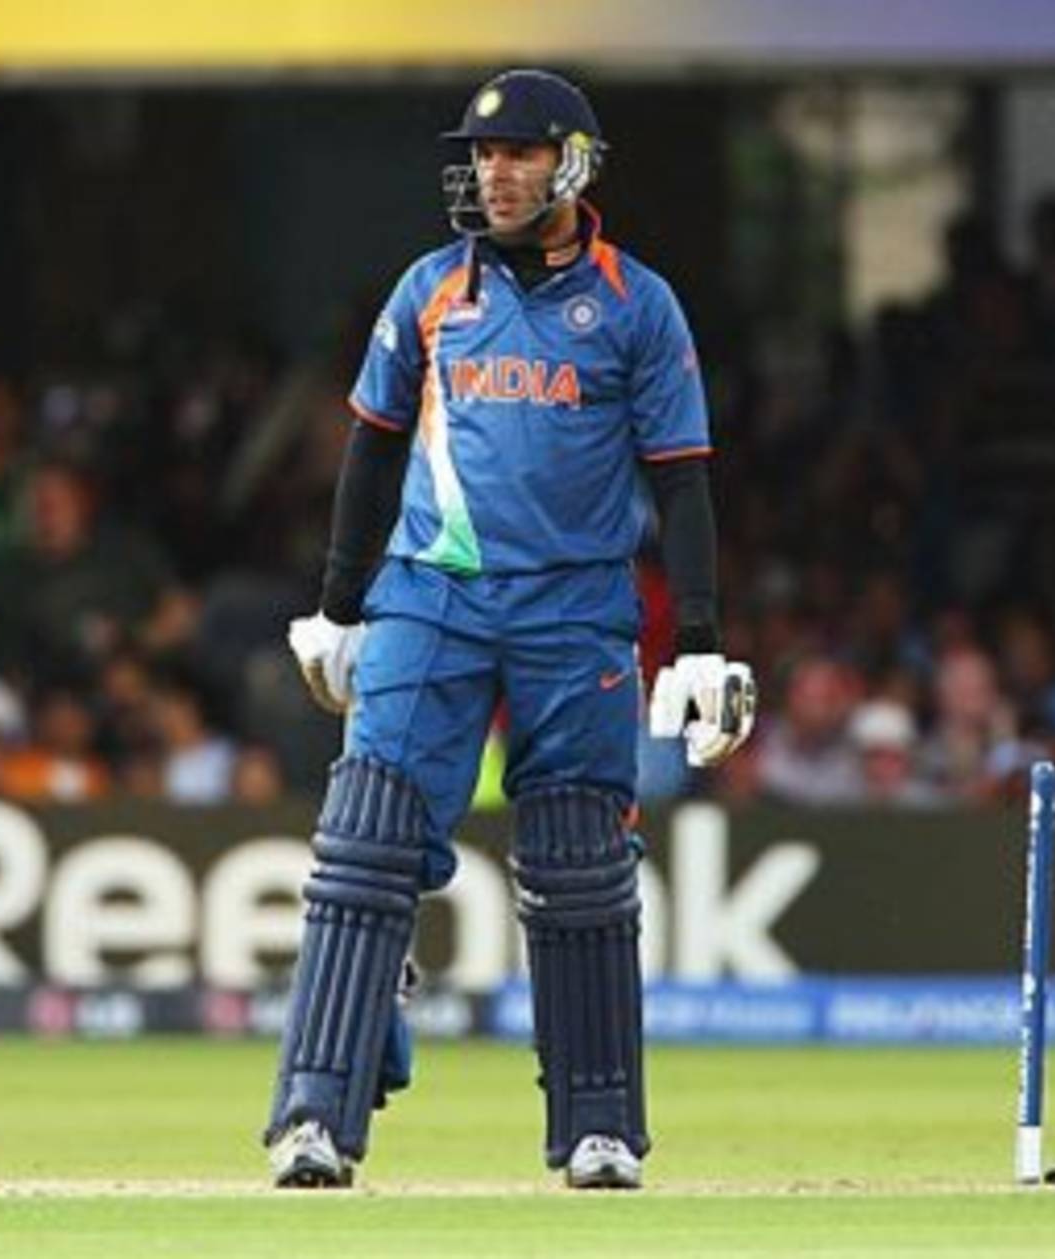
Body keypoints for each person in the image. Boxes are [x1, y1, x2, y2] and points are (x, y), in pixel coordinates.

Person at [264, 68, 755, 1191]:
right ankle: (314, 1119)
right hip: (430, 594)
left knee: (581, 866)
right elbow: (372, 448)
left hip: (576, 607)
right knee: (365, 847)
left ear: (570, 166)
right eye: (482, 156)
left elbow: (679, 481)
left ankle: (597, 1128)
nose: (492, 172)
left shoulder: (636, 304)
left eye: (519, 154)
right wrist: (339, 607)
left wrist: (703, 641)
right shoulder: (431, 288)